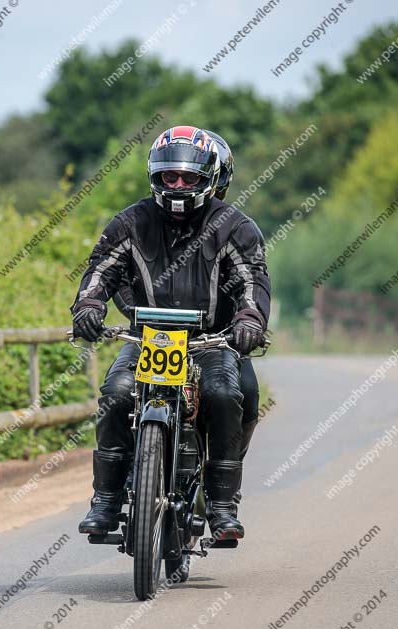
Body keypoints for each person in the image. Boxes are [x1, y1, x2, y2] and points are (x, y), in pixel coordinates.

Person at [71, 125, 271, 542]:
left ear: (211, 179)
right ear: (155, 177)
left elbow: (253, 280)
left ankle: (221, 506)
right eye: (169, 176)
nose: (178, 185)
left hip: (210, 343)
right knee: (117, 392)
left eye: (190, 177)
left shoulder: (236, 227)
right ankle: (105, 500)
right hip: (148, 340)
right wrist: (89, 304)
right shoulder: (130, 222)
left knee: (224, 395)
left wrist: (250, 319)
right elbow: (100, 270)